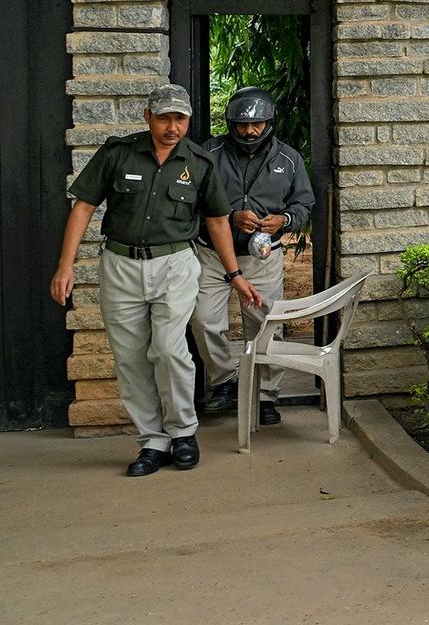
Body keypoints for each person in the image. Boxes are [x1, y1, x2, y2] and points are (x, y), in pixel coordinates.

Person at [50, 84, 263, 477]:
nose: (172, 126)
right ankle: (152, 440)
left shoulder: (199, 163)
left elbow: (217, 221)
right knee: (130, 358)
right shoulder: (118, 153)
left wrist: (234, 275)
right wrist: (66, 266)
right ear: (148, 116)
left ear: (188, 120)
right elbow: (83, 207)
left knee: (168, 349)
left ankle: (182, 432)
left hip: (176, 264)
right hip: (121, 265)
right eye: (164, 117)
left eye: (180, 118)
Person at [192, 85, 316, 427]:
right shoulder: (209, 152)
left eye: (258, 124)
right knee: (203, 319)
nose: (250, 131)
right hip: (213, 253)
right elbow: (192, 198)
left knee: (264, 326)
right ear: (230, 124)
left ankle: (265, 397)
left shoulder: (289, 158)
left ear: (270, 121)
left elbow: (304, 203)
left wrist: (285, 220)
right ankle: (222, 382)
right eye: (243, 125)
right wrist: (230, 215)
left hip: (262, 255)